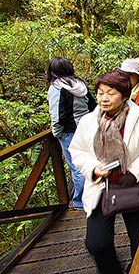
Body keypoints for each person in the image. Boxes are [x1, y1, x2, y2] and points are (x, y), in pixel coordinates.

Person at [69, 70, 139, 274]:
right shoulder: (88, 122)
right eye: (100, 93)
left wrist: (135, 172)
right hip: (101, 187)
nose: (103, 98)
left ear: (124, 94)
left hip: (134, 185)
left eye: (110, 93)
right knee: (96, 244)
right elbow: (77, 150)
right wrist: (93, 168)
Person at [46, 57, 96, 210]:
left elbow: (58, 116)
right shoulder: (80, 85)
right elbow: (93, 105)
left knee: (77, 167)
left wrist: (57, 133)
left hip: (70, 132)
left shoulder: (57, 88)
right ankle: (95, 195)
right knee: (90, 163)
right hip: (88, 129)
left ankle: (80, 202)